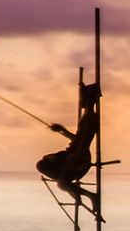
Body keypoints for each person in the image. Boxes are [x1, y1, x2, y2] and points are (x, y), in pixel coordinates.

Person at [37, 82, 100, 211]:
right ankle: (71, 188)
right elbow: (78, 138)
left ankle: (90, 195)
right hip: (73, 153)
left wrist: (73, 160)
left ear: (88, 98)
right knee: (43, 164)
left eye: (83, 97)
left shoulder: (89, 117)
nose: (81, 100)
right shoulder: (86, 115)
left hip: (79, 157)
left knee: (61, 183)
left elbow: (83, 143)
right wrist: (62, 130)